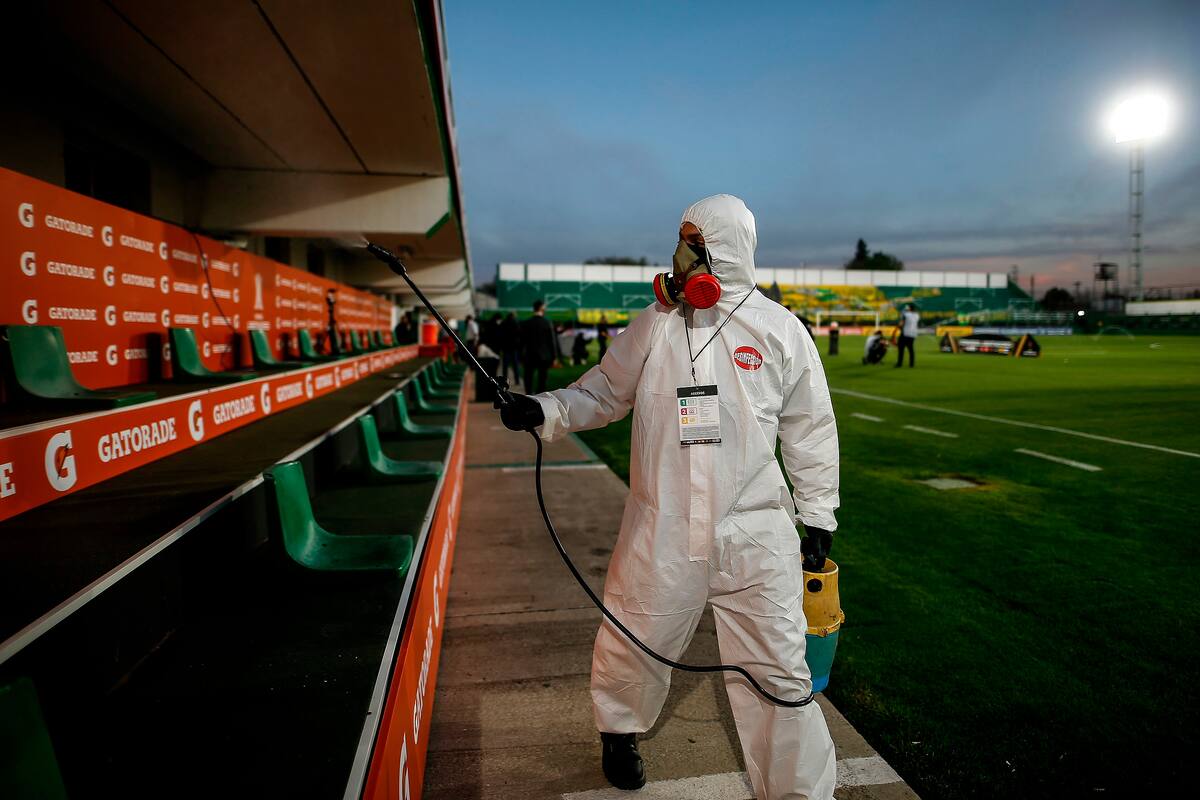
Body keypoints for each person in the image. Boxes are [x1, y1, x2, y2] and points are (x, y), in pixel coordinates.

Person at [496, 195, 839, 800]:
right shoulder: (655, 324)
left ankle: (797, 792)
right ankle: (619, 731)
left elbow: (811, 429)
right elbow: (602, 391)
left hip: (756, 532)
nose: (680, 256)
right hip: (664, 524)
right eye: (681, 241)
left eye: (692, 243)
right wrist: (546, 408)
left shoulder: (781, 330)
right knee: (636, 633)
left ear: (723, 249)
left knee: (781, 670)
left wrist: (817, 514)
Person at [520, 299, 559, 394]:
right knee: (542, 380)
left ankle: (528, 396)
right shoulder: (547, 323)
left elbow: (521, 342)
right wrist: (554, 357)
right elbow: (551, 342)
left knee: (528, 379)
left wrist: (521, 356)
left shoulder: (526, 323)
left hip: (530, 355)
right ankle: (540, 399)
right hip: (544, 356)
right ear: (541, 308)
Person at [500, 311, 522, 387]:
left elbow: (501, 335)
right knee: (515, 365)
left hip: (506, 347)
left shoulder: (504, 322)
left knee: (505, 366)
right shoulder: (516, 323)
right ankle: (517, 381)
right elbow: (519, 334)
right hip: (514, 347)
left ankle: (504, 381)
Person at [895, 303, 919, 368]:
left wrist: (899, 327)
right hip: (913, 334)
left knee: (901, 348)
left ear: (909, 308)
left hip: (905, 333)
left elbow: (901, 324)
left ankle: (899, 363)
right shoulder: (917, 315)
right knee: (911, 348)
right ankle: (911, 364)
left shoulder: (906, 315)